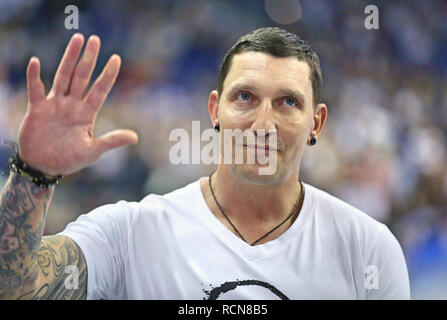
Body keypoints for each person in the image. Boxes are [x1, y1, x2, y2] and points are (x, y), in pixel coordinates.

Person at [0, 27, 410, 300]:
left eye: (288, 102)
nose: (263, 124)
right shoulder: (131, 234)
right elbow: (17, 289)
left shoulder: (367, 249)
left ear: (315, 122)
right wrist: (33, 174)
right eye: (244, 97)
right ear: (215, 111)